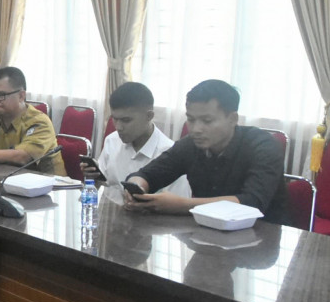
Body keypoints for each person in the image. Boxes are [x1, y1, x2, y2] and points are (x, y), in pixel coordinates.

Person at [124, 79, 290, 223]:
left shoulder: (263, 146)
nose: (196, 129)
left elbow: (251, 203)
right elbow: (147, 175)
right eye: (191, 119)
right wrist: (136, 188)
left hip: (262, 240)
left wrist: (182, 205)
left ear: (232, 119)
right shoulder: (190, 145)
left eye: (207, 121)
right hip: (206, 235)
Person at [85, 82, 190, 196]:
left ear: (149, 116)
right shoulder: (112, 141)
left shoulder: (171, 155)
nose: (118, 127)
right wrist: (93, 178)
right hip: (109, 212)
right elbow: (100, 188)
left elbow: (177, 207)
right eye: (115, 119)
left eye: (126, 120)